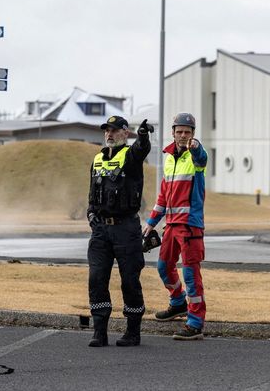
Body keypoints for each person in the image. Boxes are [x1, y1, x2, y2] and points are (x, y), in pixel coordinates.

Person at [87, 115, 152, 347]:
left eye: (115, 130)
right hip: (101, 231)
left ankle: (132, 332)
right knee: (96, 279)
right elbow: (92, 195)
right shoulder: (97, 159)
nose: (109, 134)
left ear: (125, 133)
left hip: (126, 229)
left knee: (130, 281)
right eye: (107, 130)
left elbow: (141, 149)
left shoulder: (131, 156)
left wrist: (143, 136)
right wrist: (91, 215)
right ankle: (99, 331)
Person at [142, 112, 208, 341]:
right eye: (179, 131)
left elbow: (202, 158)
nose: (182, 135)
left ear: (193, 134)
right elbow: (163, 196)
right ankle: (178, 303)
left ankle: (195, 323)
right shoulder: (169, 158)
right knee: (163, 267)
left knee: (191, 274)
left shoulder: (195, 155)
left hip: (190, 226)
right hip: (170, 225)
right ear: (172, 132)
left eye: (187, 132)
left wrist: (196, 147)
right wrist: (150, 223)